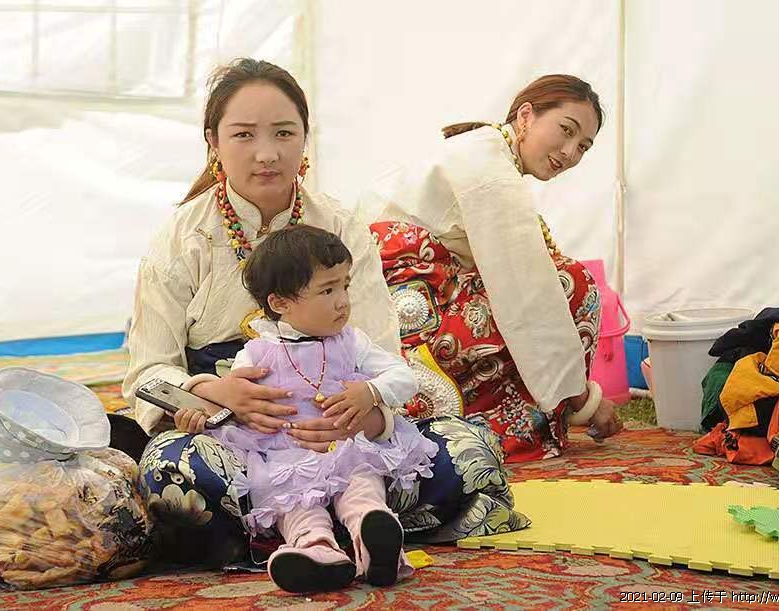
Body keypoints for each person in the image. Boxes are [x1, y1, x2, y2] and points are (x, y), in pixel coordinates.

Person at [123, 58, 527, 568]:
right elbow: (149, 371)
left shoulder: (340, 225)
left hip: (343, 430)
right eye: (243, 135)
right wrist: (213, 395)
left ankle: (327, 526)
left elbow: (381, 353)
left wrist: (366, 415)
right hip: (241, 440)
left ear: (304, 138)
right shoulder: (181, 235)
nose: (267, 153)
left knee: (470, 449)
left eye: (284, 133)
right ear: (214, 142)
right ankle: (338, 527)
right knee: (172, 473)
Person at [366, 74, 623, 463]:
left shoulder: (483, 151)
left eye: (583, 146)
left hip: (393, 320)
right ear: (526, 116)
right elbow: (528, 293)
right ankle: (497, 429)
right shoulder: (489, 169)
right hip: (409, 325)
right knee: (571, 283)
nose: (570, 152)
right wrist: (584, 399)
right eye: (566, 130)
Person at [192, 225, 436, 592]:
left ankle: (374, 537)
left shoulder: (351, 342)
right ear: (280, 303)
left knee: (361, 485)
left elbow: (404, 377)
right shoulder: (255, 354)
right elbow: (232, 405)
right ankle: (315, 551)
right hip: (286, 457)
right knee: (294, 503)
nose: (343, 301)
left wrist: (371, 392)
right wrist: (206, 408)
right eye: (327, 290)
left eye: (345, 286)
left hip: (347, 448)